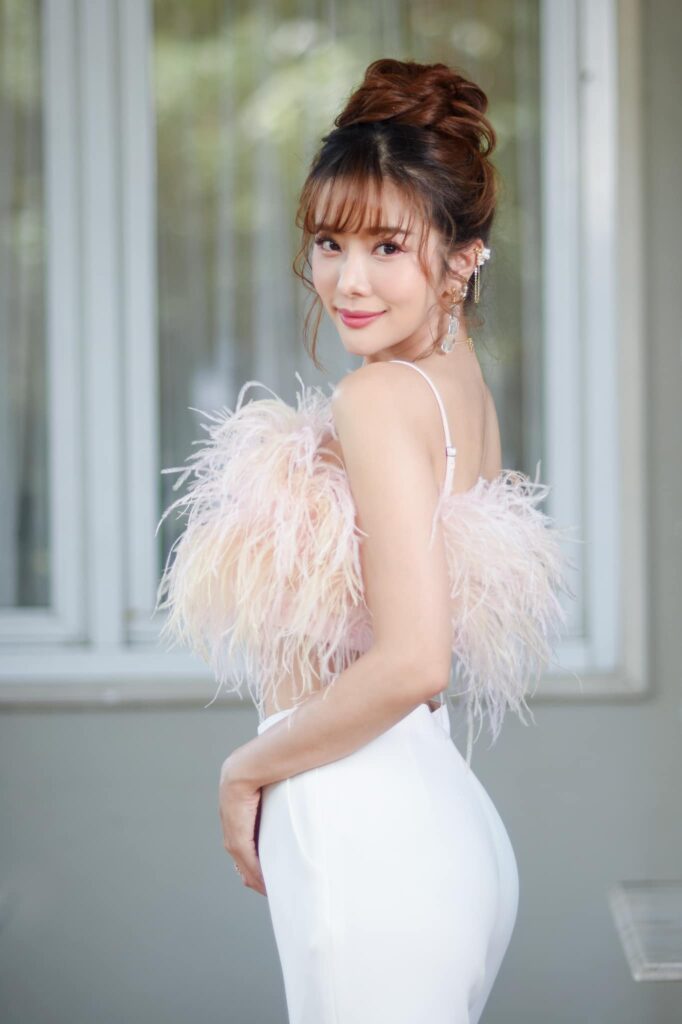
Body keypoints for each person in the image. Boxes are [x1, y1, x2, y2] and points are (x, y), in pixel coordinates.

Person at [155, 58, 575, 1024]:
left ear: (463, 256)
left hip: (368, 830)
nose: (348, 280)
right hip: (430, 818)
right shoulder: (456, 385)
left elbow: (417, 659)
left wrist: (245, 768)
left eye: (388, 245)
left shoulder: (382, 396)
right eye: (329, 242)